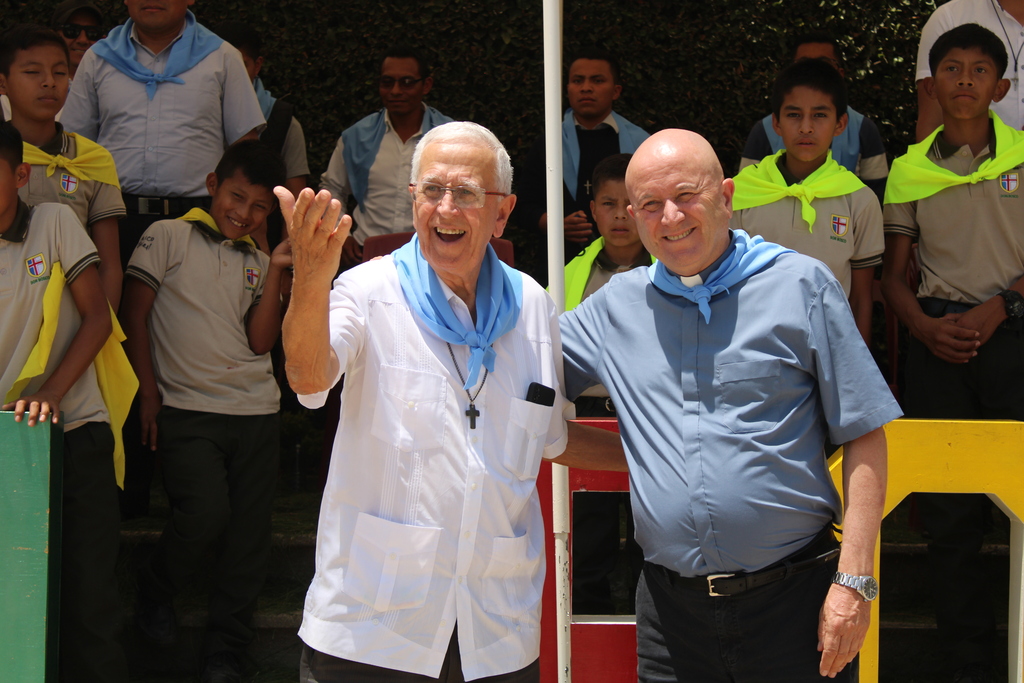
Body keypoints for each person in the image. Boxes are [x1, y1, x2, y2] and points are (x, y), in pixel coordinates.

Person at [281, 120, 623, 682]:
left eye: (465, 194)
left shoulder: (533, 305)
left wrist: (658, 459)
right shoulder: (367, 291)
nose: (444, 209)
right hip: (372, 630)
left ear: (503, 212)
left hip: (497, 634)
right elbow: (309, 379)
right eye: (431, 191)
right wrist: (312, 280)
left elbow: (552, 437)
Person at [560, 129, 902, 682]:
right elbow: (513, 386)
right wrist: (639, 458)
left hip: (796, 605)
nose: (670, 217)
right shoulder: (614, 308)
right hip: (671, 619)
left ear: (727, 195)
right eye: (650, 204)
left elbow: (865, 432)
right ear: (632, 214)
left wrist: (855, 580)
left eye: (686, 195)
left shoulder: (801, 285)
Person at [883, 23, 1024, 683]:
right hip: (940, 344)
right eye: (952, 69)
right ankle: (966, 662)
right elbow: (892, 275)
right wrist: (922, 327)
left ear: (1000, 86)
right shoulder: (908, 170)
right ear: (932, 84)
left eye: (978, 70)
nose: (964, 80)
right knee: (948, 515)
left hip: (1014, 335)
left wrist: (1002, 308)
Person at [121, 140, 289, 683]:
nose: (244, 213)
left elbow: (262, 344)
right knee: (205, 514)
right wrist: (148, 393)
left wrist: (278, 272)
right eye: (237, 197)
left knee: (248, 537)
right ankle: (156, 587)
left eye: (260, 206)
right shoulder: (165, 235)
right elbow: (135, 315)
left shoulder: (260, 260)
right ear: (213, 184)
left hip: (258, 411)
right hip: (187, 410)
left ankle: (226, 650)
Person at [0, 120, 134, 683]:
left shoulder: (53, 221)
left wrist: (52, 392)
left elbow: (98, 316)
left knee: (89, 597)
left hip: (76, 428)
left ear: (20, 175)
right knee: (15, 596)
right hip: (7, 439)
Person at [61, 0, 265, 273]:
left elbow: (247, 152)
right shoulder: (98, 58)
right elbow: (73, 147)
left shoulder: (222, 57)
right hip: (113, 222)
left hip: (198, 222)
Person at [731, 59, 883, 344]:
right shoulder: (740, 193)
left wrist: (856, 375)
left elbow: (862, 299)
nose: (806, 127)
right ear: (776, 123)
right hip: (753, 349)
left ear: (840, 124)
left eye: (820, 115)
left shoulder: (859, 200)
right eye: (793, 115)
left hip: (830, 350)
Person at [563, 153, 649, 615]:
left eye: (631, 203)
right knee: (588, 540)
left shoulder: (672, 270)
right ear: (592, 209)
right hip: (589, 420)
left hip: (650, 421)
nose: (620, 216)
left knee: (650, 535)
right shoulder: (568, 272)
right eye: (608, 204)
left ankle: (651, 629)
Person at [0, 25, 125, 305]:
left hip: (74, 319)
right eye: (32, 72)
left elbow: (109, 265)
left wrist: (100, 331)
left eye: (59, 72)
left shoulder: (93, 159)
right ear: (2, 83)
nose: (49, 82)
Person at [320, 45, 452, 269]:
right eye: (387, 82)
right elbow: (332, 188)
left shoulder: (450, 138)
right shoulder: (356, 137)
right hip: (365, 257)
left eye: (407, 82)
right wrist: (340, 234)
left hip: (430, 259)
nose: (396, 91)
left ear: (426, 85)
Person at [515, 47, 649, 266]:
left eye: (597, 81)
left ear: (616, 91)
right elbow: (523, 206)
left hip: (634, 262)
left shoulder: (642, 144)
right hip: (562, 265)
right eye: (578, 81)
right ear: (567, 88)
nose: (586, 88)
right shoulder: (548, 144)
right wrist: (553, 223)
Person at [738, 31, 889, 202]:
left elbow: (877, 196)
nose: (806, 128)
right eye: (804, 65)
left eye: (824, 64)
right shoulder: (763, 131)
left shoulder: (864, 129)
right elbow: (746, 191)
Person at [915, 0, 1024, 139]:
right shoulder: (949, 16)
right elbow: (931, 123)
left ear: (1001, 88)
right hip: (967, 159)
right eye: (953, 68)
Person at [52, 0, 105, 80]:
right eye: (71, 31)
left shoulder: (113, 83)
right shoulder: (35, 84)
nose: (83, 40)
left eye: (92, 33)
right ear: (53, 35)